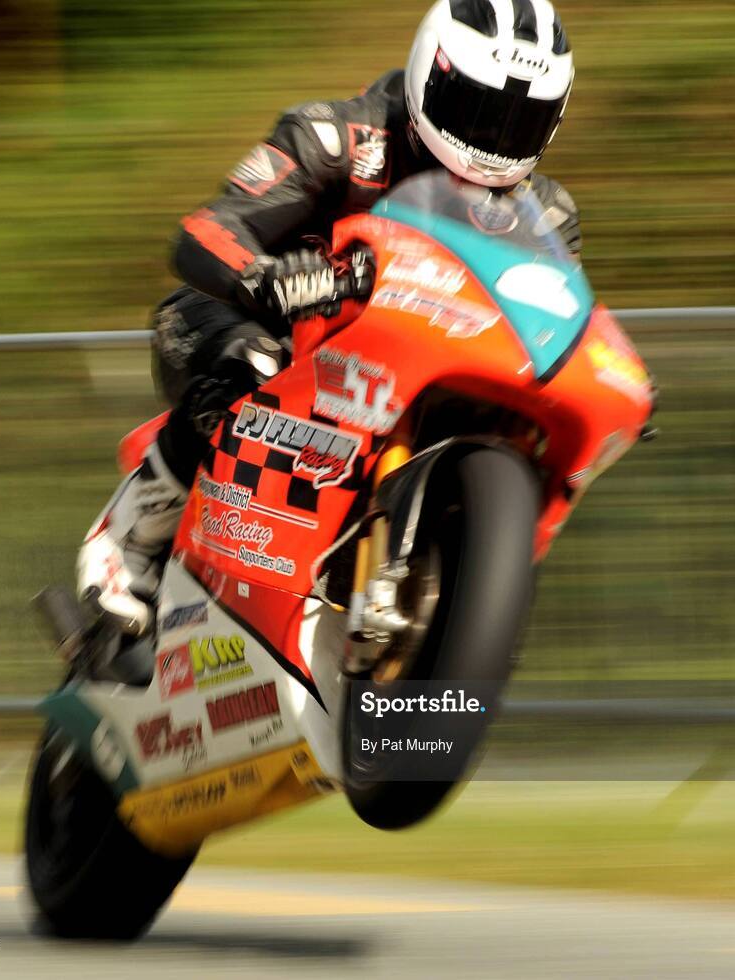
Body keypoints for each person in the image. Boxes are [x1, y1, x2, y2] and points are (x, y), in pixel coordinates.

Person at [78, 0, 582, 635]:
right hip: (249, 325)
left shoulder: (546, 215)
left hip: (398, 378)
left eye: (518, 122)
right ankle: (129, 540)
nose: (492, 140)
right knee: (257, 361)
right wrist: (265, 278)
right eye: (480, 111)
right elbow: (205, 231)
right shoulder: (335, 136)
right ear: (433, 74)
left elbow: (550, 325)